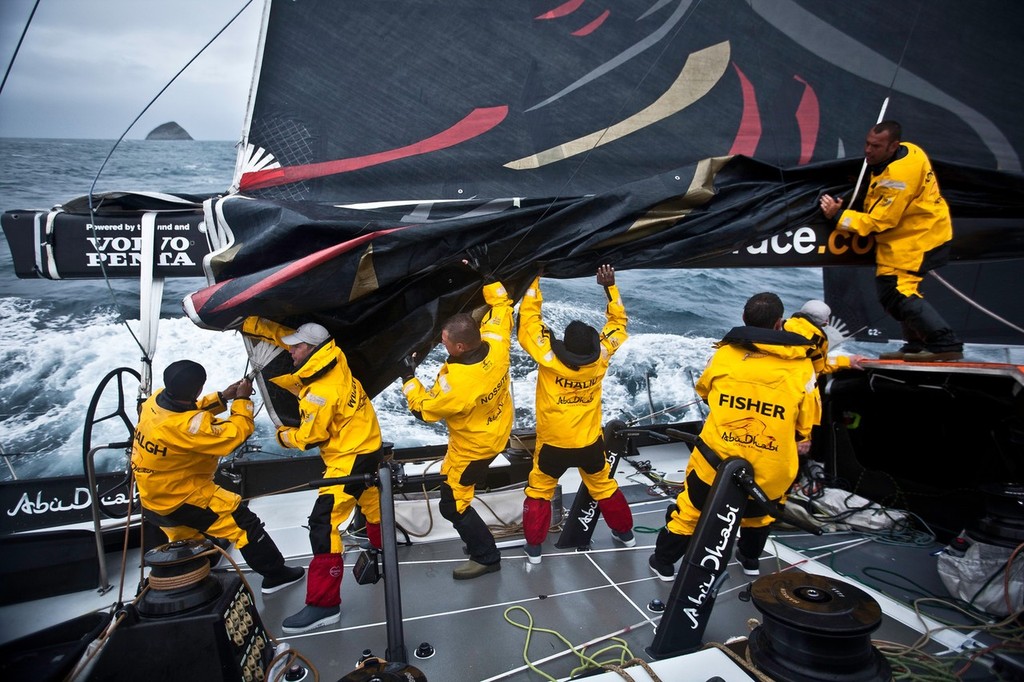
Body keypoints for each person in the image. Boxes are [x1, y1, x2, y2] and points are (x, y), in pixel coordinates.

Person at [649, 293, 820, 581]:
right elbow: (806, 422)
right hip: (769, 472)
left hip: (714, 465)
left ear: (743, 319)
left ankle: (663, 562)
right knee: (759, 516)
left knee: (690, 512)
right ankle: (749, 559)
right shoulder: (802, 366)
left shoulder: (724, 355)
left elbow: (704, 392)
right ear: (780, 324)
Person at [241, 318, 385, 634]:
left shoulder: (319, 394)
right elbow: (287, 339)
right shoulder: (335, 355)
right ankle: (383, 551)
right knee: (373, 504)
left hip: (348, 459)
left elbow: (308, 438)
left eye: (297, 347)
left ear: (311, 350)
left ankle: (324, 606)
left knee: (323, 526)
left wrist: (281, 435)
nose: (291, 351)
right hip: (369, 443)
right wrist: (255, 324)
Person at [131, 360, 305, 594]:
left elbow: (192, 412)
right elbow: (235, 433)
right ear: (198, 388)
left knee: (184, 535)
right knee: (244, 525)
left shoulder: (155, 402)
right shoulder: (187, 428)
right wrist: (242, 401)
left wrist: (223, 397)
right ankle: (276, 576)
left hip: (153, 497)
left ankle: (193, 573)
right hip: (182, 498)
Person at [399, 260, 514, 580]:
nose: (441, 344)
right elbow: (502, 303)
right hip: (496, 431)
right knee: (452, 484)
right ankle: (479, 542)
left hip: (474, 449)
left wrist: (408, 376)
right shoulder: (497, 342)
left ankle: (486, 556)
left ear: (461, 346)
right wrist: (486, 273)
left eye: (445, 342)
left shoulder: (458, 386)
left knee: (452, 506)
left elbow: (423, 409)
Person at [516, 264, 635, 563]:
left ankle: (534, 550)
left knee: (539, 491)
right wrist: (610, 287)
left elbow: (529, 320)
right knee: (604, 486)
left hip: (553, 446)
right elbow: (619, 325)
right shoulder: (602, 357)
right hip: (589, 445)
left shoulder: (547, 357)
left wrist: (535, 277)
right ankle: (626, 535)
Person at [819, 120, 963, 362]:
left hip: (918, 239)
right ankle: (916, 345)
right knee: (898, 292)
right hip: (913, 234)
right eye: (867, 143)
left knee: (896, 292)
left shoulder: (897, 176)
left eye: (876, 146)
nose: (868, 150)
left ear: (893, 146)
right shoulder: (907, 150)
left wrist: (838, 216)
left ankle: (944, 343)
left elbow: (880, 222)